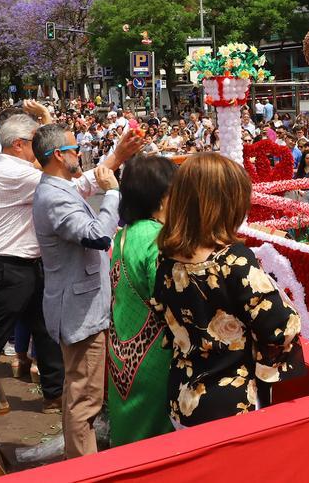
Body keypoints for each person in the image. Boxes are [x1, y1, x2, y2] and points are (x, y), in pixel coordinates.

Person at [0, 113, 142, 418]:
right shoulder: (16, 173)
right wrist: (116, 159)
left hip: (21, 266)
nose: (39, 147)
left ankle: (54, 394)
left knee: (44, 329)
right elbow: (76, 185)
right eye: (34, 142)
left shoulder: (16, 167)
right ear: (18, 146)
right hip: (6, 268)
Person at [153, 153, 304, 428]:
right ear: (225, 205)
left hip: (182, 394)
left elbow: (163, 317)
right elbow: (281, 326)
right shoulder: (233, 259)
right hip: (232, 401)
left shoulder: (167, 258)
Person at [32, 123, 122, 458]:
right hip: (79, 311)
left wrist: (115, 159)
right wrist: (112, 193)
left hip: (79, 304)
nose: (79, 153)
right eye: (74, 149)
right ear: (58, 155)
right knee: (84, 399)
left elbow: (84, 187)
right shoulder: (54, 196)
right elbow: (98, 236)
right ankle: (84, 467)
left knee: (82, 392)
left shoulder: (60, 186)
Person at [107, 156, 177, 447]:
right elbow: (171, 299)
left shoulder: (124, 233)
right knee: (157, 446)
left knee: (129, 438)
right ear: (162, 197)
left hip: (122, 352)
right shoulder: (159, 238)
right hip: (155, 359)